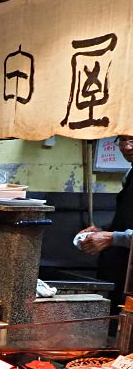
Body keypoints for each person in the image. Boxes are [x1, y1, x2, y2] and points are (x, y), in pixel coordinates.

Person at [78, 134, 133, 316]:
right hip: (120, 270)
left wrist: (112, 237)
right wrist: (104, 232)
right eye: (123, 140)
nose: (126, 147)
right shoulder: (130, 175)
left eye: (132, 140)